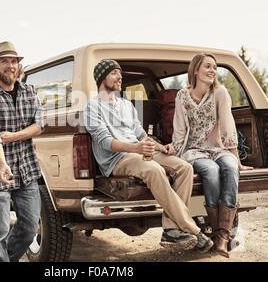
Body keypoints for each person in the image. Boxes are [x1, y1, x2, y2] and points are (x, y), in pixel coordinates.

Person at [83, 59, 213, 252]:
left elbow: (141, 134)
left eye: (120, 73)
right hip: (117, 160)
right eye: (114, 73)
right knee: (154, 170)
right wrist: (136, 148)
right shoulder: (92, 107)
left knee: (184, 168)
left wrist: (162, 148)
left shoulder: (126, 105)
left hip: (139, 152)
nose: (120, 77)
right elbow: (105, 142)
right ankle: (191, 228)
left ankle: (171, 230)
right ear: (102, 78)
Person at [170, 53, 253, 257]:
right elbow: (179, 130)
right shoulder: (182, 95)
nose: (212, 70)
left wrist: (237, 159)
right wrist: (174, 151)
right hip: (194, 151)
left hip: (218, 148)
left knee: (231, 168)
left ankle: (222, 236)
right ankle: (219, 235)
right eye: (207, 66)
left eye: (215, 67)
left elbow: (227, 125)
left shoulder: (220, 93)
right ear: (195, 70)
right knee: (211, 171)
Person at [0, 41, 44, 262]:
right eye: (5, 61)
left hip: (27, 170)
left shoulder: (30, 92)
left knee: (30, 227)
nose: (10, 66)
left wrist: (13, 136)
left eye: (14, 61)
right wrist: (3, 164)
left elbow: (40, 125)